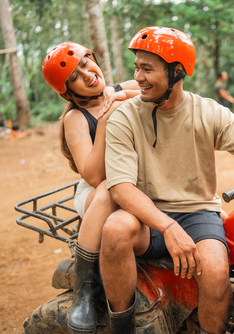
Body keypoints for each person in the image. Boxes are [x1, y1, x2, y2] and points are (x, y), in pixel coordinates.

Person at [98, 26, 234, 334]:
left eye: (147, 69)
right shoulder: (125, 117)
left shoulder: (208, 112)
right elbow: (121, 188)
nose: (139, 77)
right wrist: (167, 226)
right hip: (147, 216)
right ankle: (122, 327)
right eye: (137, 68)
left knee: (215, 272)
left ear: (176, 71)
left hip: (198, 213)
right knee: (115, 229)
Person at [41, 42, 140, 334]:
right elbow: (95, 176)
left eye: (86, 63)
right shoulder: (75, 119)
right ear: (68, 92)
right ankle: (84, 291)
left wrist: (119, 96)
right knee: (111, 187)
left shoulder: (127, 87)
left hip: (136, 182)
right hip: (98, 191)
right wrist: (107, 119)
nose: (86, 74)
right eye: (74, 77)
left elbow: (164, 96)